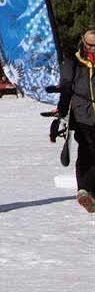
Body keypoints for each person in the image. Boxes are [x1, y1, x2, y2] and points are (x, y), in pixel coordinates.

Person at [56, 26, 95, 212]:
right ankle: (84, 190)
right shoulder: (73, 60)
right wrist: (61, 113)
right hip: (82, 114)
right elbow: (66, 88)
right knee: (88, 149)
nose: (93, 49)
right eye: (90, 45)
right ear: (83, 41)